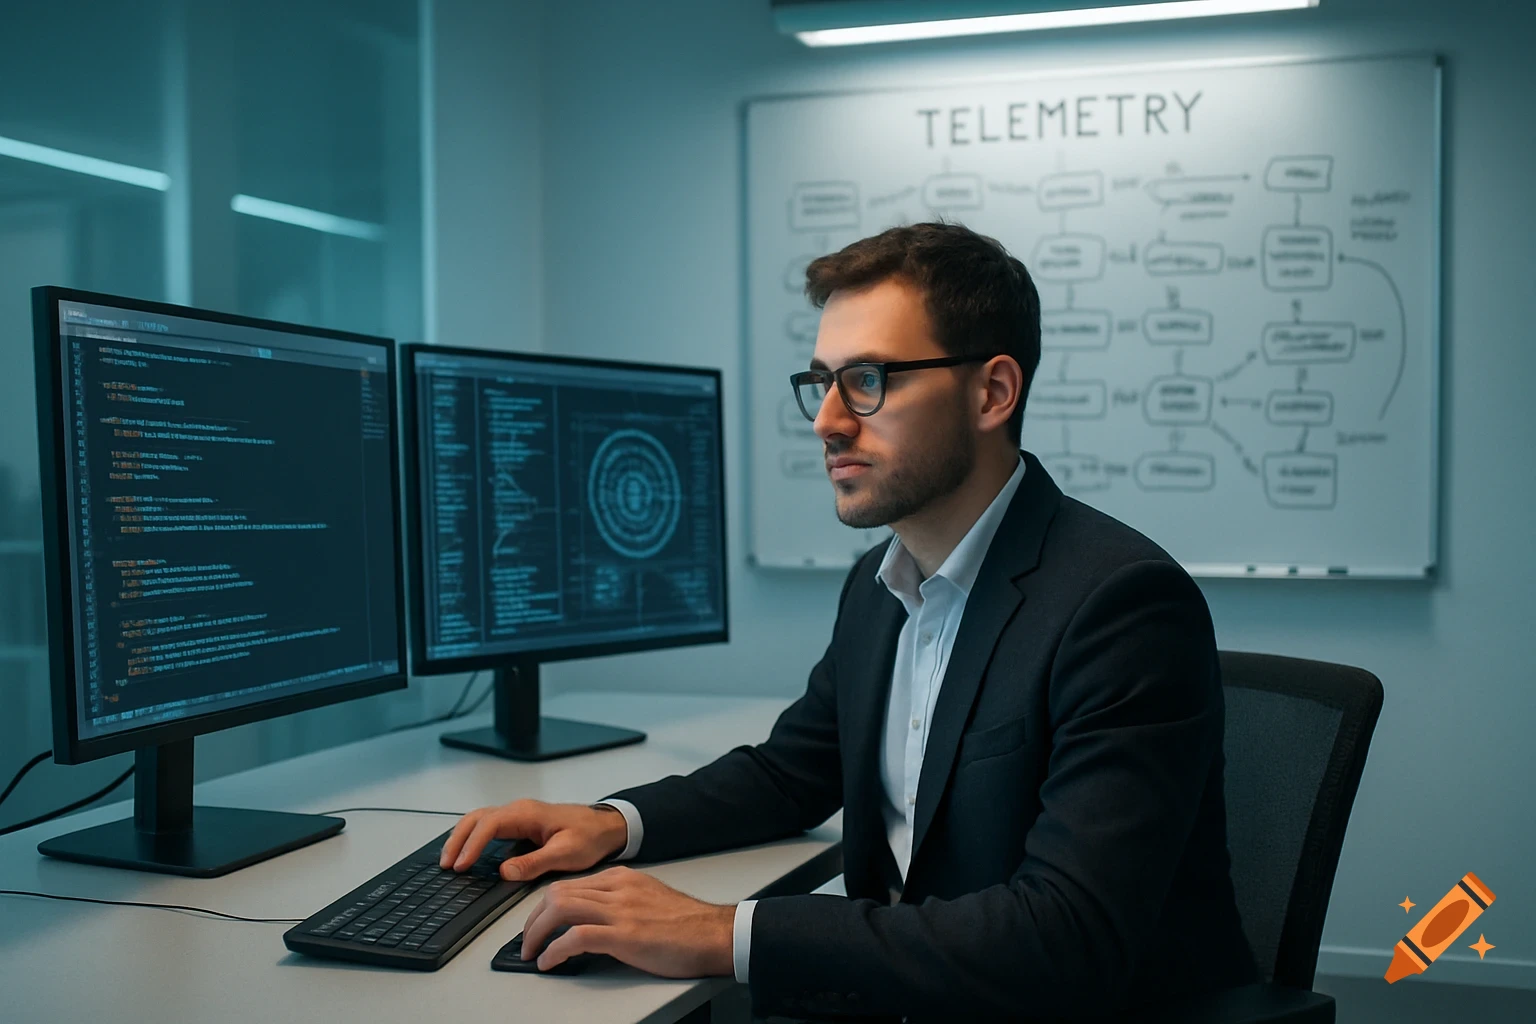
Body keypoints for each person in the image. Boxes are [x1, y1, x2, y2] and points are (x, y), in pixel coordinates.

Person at [439, 222, 1259, 1021]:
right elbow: (792, 771)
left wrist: (720, 932)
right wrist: (613, 823)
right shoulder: (879, 582)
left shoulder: (1120, 605)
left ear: (992, 392)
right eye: (821, 381)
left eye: (867, 379)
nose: (827, 419)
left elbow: (1063, 941)